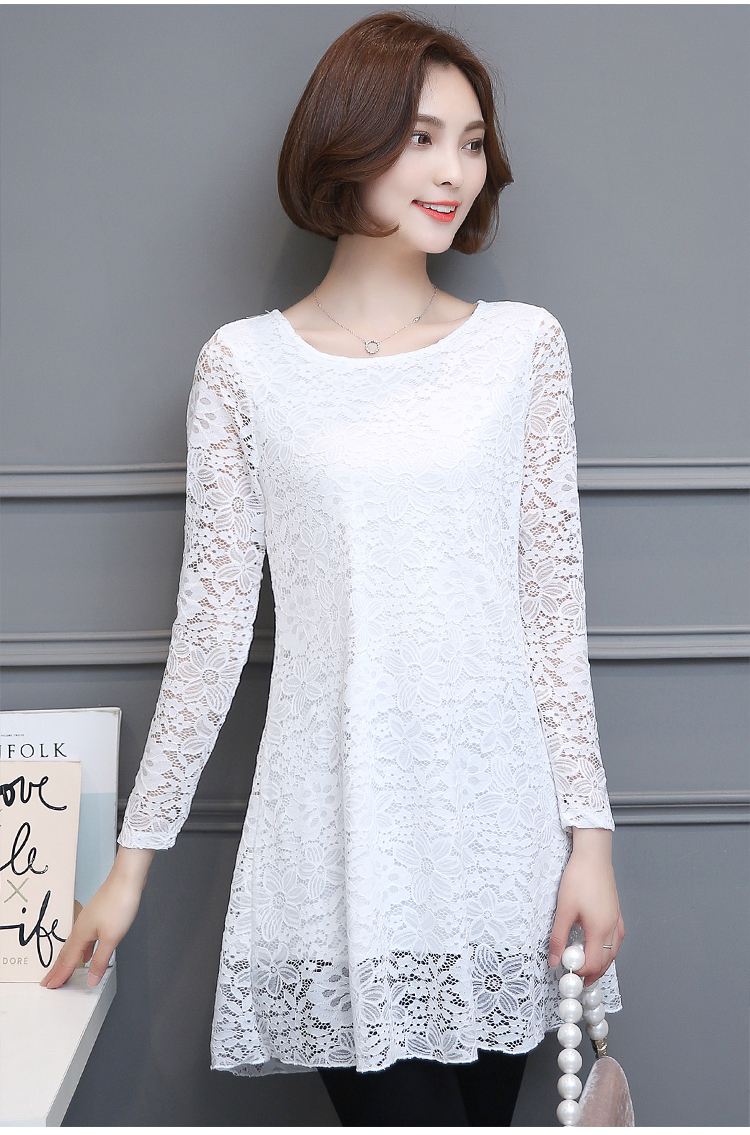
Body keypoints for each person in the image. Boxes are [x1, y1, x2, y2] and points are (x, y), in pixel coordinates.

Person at [42, 11, 625, 1126]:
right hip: (338, 841)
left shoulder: (522, 350)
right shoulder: (245, 368)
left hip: (501, 845)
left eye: (471, 142)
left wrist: (590, 846)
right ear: (348, 140)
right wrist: (129, 867)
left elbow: (553, 616)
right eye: (421, 137)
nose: (454, 170)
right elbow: (212, 632)